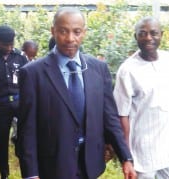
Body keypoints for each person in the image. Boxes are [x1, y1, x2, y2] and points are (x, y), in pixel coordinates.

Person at [17, 7, 136, 179]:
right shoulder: (33, 73)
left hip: (90, 162)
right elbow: (27, 129)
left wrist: (126, 157)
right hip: (53, 165)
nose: (70, 38)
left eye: (77, 32)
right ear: (53, 31)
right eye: (63, 31)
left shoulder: (98, 69)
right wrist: (31, 173)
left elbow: (110, 117)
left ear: (84, 33)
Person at [113, 16, 169, 179]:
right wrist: (127, 157)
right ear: (135, 37)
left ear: (162, 34)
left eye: (153, 33)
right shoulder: (127, 70)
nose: (148, 38)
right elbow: (121, 115)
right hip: (142, 153)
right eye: (142, 33)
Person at [0, 25, 28, 179]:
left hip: (19, 103)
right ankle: (4, 174)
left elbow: (28, 81)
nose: (9, 47)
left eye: (11, 44)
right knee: (1, 141)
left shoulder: (20, 57)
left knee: (24, 137)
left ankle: (27, 170)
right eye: (5, 44)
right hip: (0, 105)